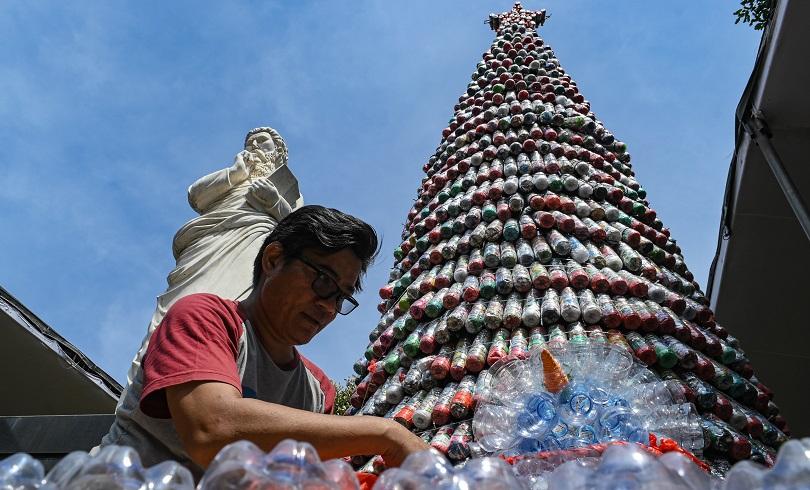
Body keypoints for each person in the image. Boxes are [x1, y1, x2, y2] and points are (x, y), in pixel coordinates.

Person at [99, 205, 429, 479]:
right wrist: (384, 434)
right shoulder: (205, 318)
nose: (328, 306)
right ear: (272, 259)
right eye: (323, 281)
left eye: (342, 296)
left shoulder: (317, 391)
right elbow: (211, 430)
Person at [124, 126, 302, 386]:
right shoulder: (235, 173)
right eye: (251, 141)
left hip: (251, 242)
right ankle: (147, 375)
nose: (254, 145)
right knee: (179, 304)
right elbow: (196, 195)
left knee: (229, 306)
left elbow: (297, 229)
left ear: (277, 152)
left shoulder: (287, 189)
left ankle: (210, 368)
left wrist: (274, 201)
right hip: (207, 242)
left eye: (262, 141)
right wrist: (236, 173)